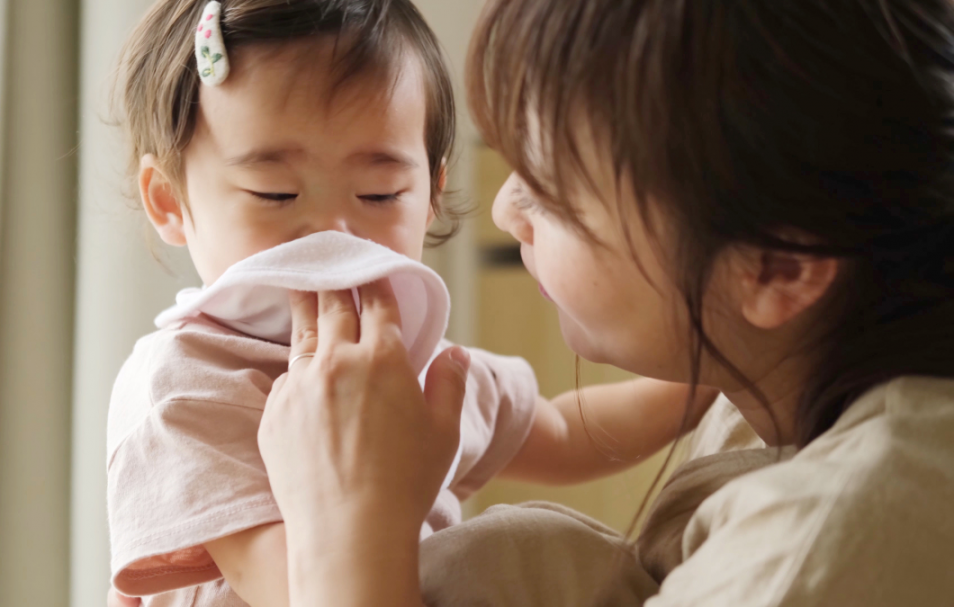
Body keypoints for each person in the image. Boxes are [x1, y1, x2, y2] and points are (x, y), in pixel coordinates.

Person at [248, 0, 954, 605]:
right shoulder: (778, 371)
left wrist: (343, 541)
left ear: (777, 267)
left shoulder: (833, 543)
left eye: (550, 187)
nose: (502, 209)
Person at [104, 1, 718, 606]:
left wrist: (710, 378)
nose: (333, 234)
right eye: (275, 193)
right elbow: (296, 590)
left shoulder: (417, 363)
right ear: (168, 202)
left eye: (379, 194)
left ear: (430, 195)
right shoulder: (188, 388)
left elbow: (560, 430)